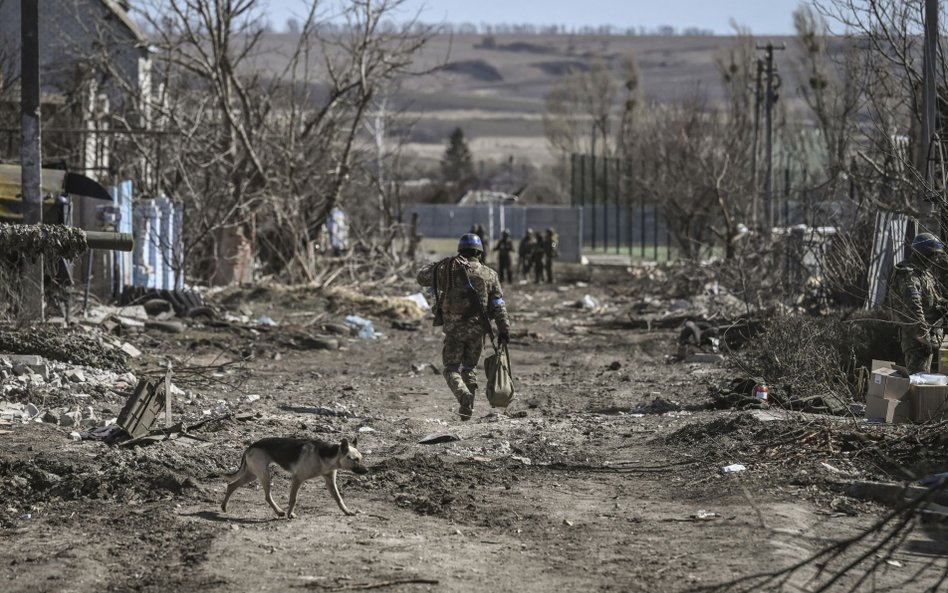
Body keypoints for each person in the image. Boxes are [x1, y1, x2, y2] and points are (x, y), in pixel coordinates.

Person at [417, 233, 511, 420]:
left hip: (454, 329)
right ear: (479, 252)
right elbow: (498, 304)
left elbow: (422, 276)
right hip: (478, 330)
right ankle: (468, 407)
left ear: (460, 251)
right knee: (469, 368)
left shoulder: (448, 269)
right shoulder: (490, 274)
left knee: (451, 368)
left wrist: (441, 264)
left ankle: (463, 396)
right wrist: (504, 329)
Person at [888, 232, 948, 374]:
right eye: (935, 255)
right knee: (919, 383)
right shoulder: (909, 275)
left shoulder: (923, 273)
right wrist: (925, 339)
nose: (937, 259)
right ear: (926, 254)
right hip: (917, 342)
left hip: (927, 337)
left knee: (926, 382)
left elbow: (931, 299)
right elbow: (914, 309)